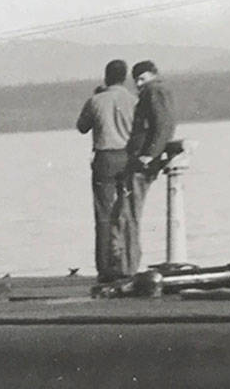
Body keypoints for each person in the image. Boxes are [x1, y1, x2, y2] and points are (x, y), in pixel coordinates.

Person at [112, 60, 177, 277]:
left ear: (153, 75)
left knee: (128, 214)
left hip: (142, 161)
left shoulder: (154, 90)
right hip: (141, 159)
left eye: (142, 78)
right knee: (127, 213)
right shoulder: (159, 90)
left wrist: (150, 154)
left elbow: (163, 125)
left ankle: (127, 269)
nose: (139, 84)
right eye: (136, 80)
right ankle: (126, 266)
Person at [76, 59, 136, 283]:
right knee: (128, 212)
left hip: (105, 158)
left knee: (103, 215)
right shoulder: (133, 100)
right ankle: (127, 263)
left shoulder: (96, 100)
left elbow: (82, 127)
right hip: (128, 157)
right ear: (125, 76)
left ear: (106, 76)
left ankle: (104, 268)